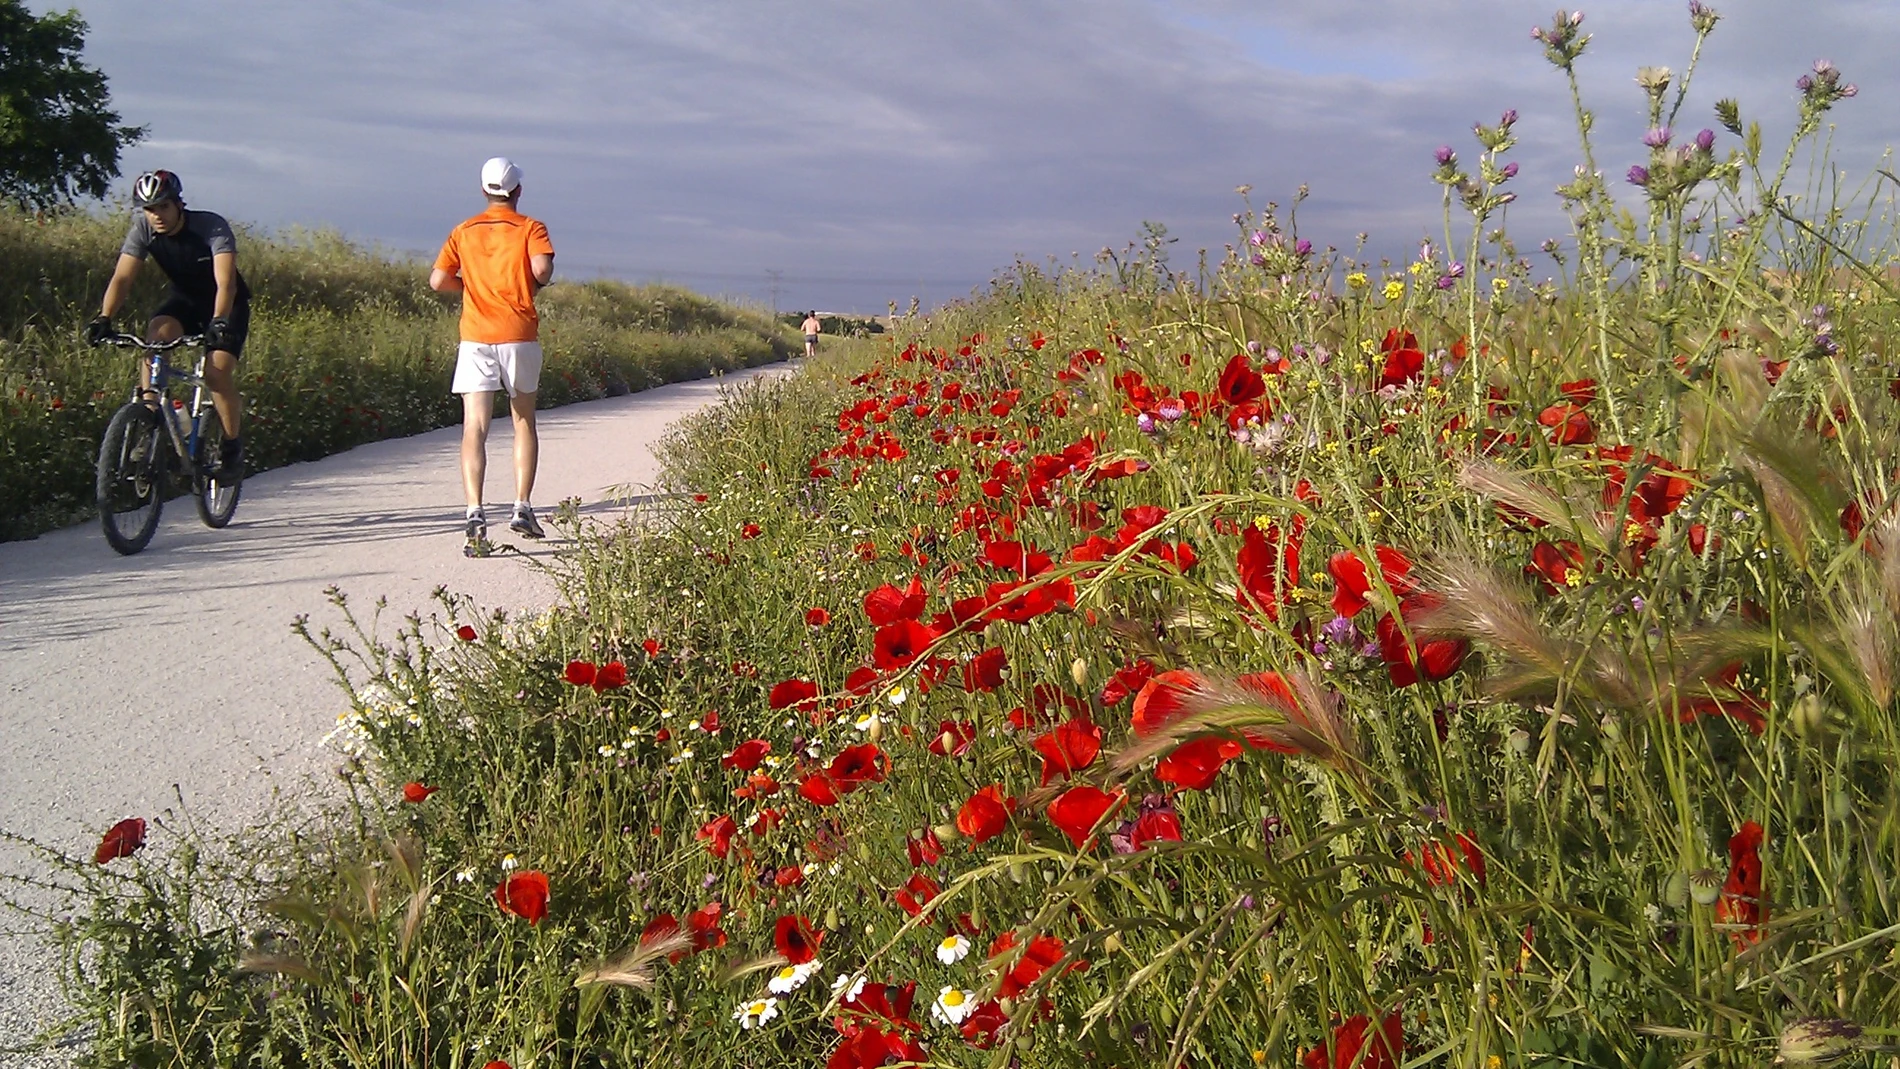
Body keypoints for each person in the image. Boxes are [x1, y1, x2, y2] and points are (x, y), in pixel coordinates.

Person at [87, 169, 248, 475]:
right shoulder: (143, 231)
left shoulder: (210, 226)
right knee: (156, 336)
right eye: (149, 209)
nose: (157, 215)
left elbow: (226, 282)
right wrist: (104, 318)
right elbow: (122, 278)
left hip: (226, 304)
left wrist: (219, 321)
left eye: (163, 206)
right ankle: (149, 422)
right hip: (185, 300)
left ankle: (231, 445)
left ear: (178, 204)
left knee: (216, 374)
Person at [429, 156, 555, 545]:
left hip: (476, 336)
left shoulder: (463, 231)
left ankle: (475, 514)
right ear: (517, 190)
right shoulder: (531, 227)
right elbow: (542, 272)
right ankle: (522, 507)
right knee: (523, 422)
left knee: (475, 427)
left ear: (484, 190)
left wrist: (469, 288)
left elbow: (437, 280)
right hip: (517, 333)